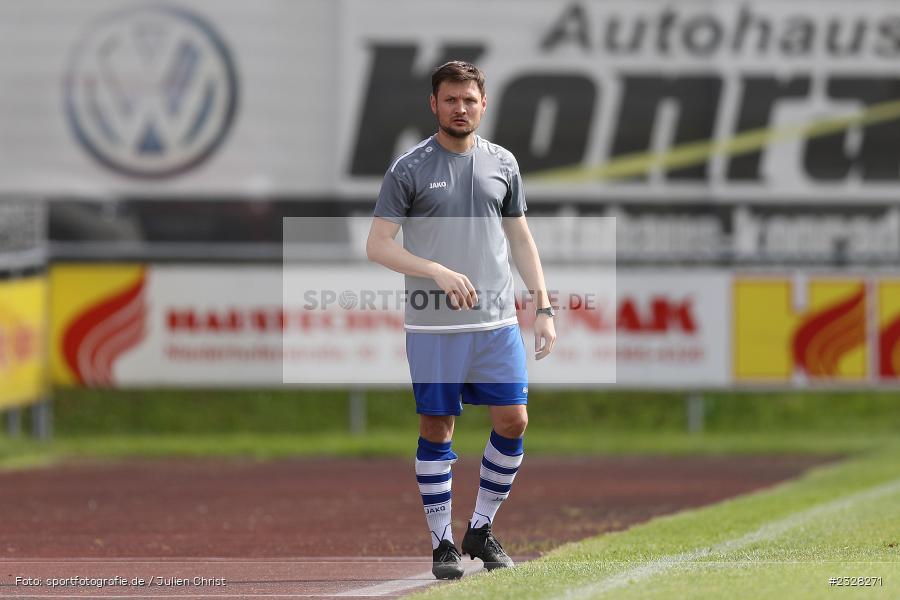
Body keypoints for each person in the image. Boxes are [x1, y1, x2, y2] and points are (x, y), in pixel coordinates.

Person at [366, 61, 556, 580]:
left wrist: (542, 307)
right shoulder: (408, 168)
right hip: (435, 327)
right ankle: (442, 543)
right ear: (434, 104)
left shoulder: (503, 163)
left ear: (483, 104)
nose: (460, 108)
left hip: (495, 323)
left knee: (513, 419)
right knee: (438, 425)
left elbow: (520, 239)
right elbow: (377, 245)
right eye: (450, 99)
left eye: (469, 99)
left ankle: (481, 528)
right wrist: (435, 271)